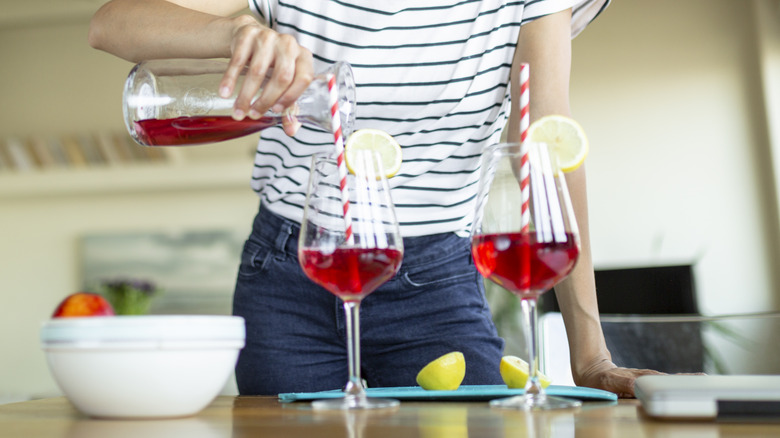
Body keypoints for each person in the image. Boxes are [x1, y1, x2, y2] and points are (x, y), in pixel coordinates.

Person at [89, 0, 661, 398]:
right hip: (291, 277)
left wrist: (590, 354)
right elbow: (111, 24)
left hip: (434, 285)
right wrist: (234, 32)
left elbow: (546, 146)